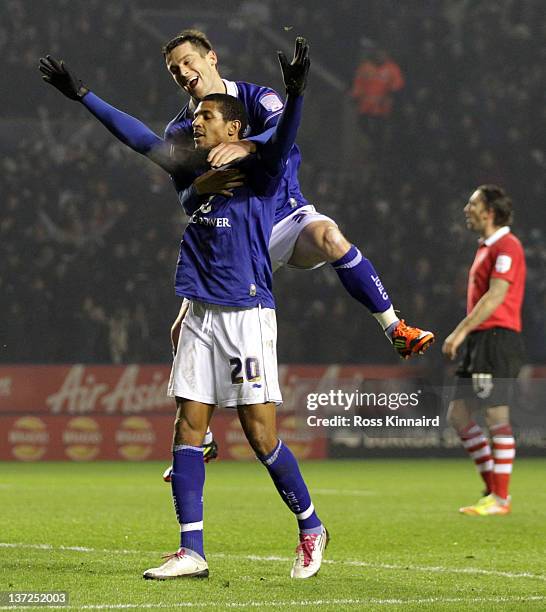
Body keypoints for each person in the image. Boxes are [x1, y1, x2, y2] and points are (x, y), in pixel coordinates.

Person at [39, 29, 434, 363]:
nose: (183, 72)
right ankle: (202, 436)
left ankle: (394, 328)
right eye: (174, 69)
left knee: (332, 239)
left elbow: (284, 133)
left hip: (286, 219)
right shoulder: (183, 130)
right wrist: (84, 95)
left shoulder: (256, 97)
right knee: (180, 334)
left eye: (189, 61)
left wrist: (246, 145)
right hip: (235, 241)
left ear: (212, 57)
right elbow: (180, 192)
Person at [442, 185, 525, 516]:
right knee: (459, 416)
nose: (467, 208)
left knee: (495, 415)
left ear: (489, 212)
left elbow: (496, 296)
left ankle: (500, 499)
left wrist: (460, 332)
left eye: (473, 203)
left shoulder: (507, 246)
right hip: (481, 340)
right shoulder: (486, 247)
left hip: (497, 338)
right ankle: (494, 489)